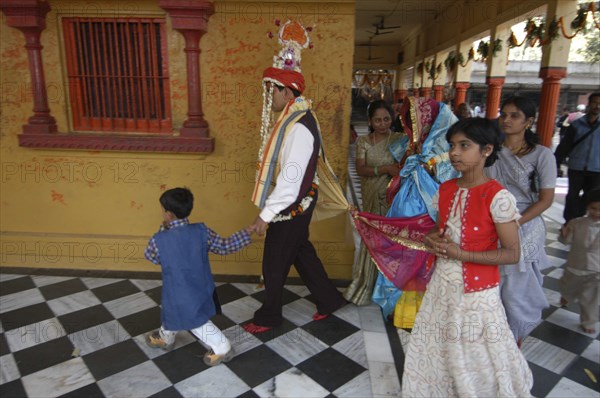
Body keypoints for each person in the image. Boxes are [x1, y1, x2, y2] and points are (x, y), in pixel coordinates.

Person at [402, 118, 533, 397]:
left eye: (465, 145)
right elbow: (441, 232)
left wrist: (461, 254)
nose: (455, 153)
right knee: (438, 344)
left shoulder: (497, 196)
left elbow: (512, 253)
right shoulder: (446, 189)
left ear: (486, 150)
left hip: (477, 291)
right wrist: (431, 239)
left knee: (475, 349)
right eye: (452, 145)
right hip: (443, 284)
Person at [244, 20, 346, 334]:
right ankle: (329, 300)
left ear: (287, 90)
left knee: (275, 260)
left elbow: (290, 179)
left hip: (294, 203)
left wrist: (266, 215)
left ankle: (269, 316)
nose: (269, 96)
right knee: (301, 252)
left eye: (271, 89)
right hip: (298, 200)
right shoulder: (295, 119)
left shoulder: (298, 126)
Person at [144, 187, 253, 366]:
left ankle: (222, 347)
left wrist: (163, 234)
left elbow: (151, 256)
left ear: (168, 214)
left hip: (177, 289)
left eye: (163, 209)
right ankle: (165, 337)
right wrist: (247, 232)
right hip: (202, 286)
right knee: (172, 311)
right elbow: (225, 246)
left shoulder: (159, 239)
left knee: (195, 321)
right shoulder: (202, 231)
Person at [486, 96, 554, 345]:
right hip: (491, 220)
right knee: (492, 279)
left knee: (518, 283)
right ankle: (495, 333)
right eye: (503, 114)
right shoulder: (491, 150)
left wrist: (515, 222)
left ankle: (515, 337)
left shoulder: (542, 155)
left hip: (525, 223)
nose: (506, 120)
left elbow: (545, 200)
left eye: (514, 115)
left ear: (529, 122)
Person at [344, 100, 403, 305]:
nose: (382, 123)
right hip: (371, 195)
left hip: (393, 197)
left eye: (386, 119)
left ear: (392, 119)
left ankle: (388, 290)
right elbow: (360, 170)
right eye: (377, 120)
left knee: (391, 241)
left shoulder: (400, 140)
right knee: (373, 240)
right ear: (370, 121)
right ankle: (367, 285)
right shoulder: (364, 142)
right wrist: (385, 169)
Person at [559, 189, 600, 334]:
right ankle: (566, 295)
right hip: (575, 265)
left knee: (591, 297)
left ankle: (588, 321)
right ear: (587, 206)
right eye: (593, 208)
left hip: (596, 270)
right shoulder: (576, 223)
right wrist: (564, 234)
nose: (597, 213)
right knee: (568, 286)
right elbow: (566, 241)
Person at [555, 92, 600, 225]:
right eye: (595, 103)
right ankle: (569, 222)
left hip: (596, 169)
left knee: (591, 197)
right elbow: (564, 146)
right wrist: (556, 163)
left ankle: (586, 223)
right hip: (576, 167)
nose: (597, 106)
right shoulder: (577, 125)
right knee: (572, 196)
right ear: (589, 104)